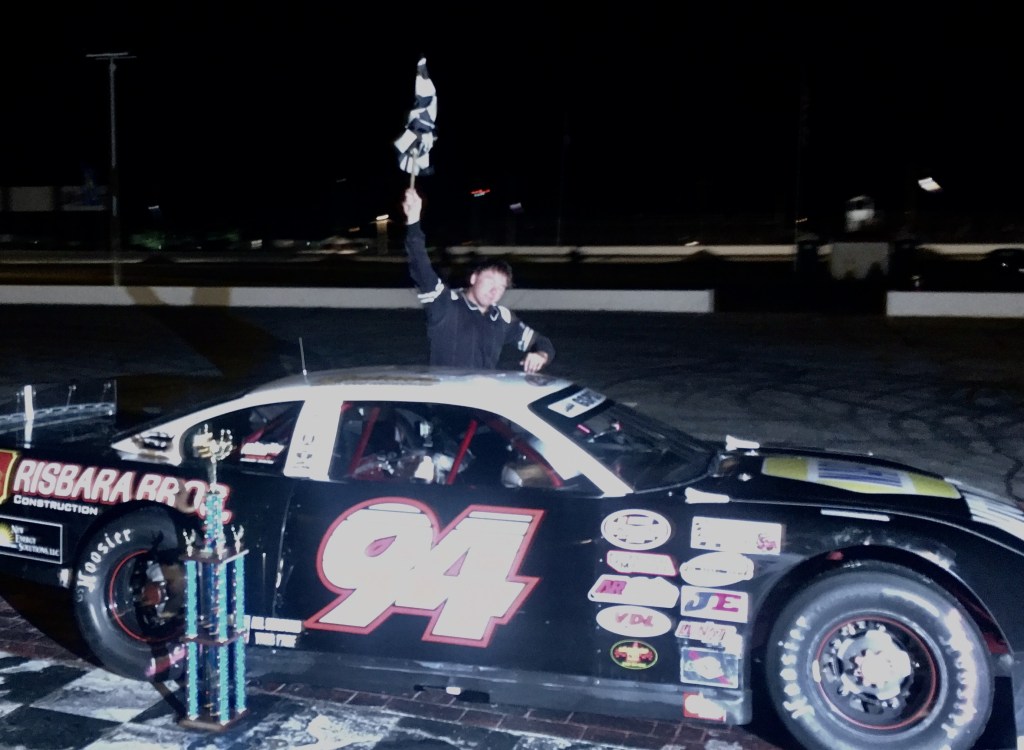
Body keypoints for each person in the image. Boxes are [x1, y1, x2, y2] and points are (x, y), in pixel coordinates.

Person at [402, 188, 555, 372]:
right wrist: (413, 221)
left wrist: (541, 354)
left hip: (480, 398)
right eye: (490, 280)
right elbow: (420, 266)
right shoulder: (444, 304)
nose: (494, 291)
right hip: (446, 399)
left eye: (501, 287)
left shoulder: (501, 318)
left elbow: (540, 341)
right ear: (474, 278)